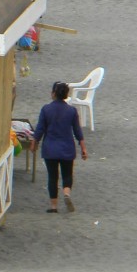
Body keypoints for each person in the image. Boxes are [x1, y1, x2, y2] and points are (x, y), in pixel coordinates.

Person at [33, 82, 88, 213]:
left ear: (53, 93)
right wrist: (83, 148)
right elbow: (77, 131)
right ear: (66, 95)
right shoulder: (72, 111)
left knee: (52, 177)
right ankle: (66, 193)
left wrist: (34, 143)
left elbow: (40, 129)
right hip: (67, 148)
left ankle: (53, 206)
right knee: (67, 173)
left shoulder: (46, 109)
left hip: (50, 148)